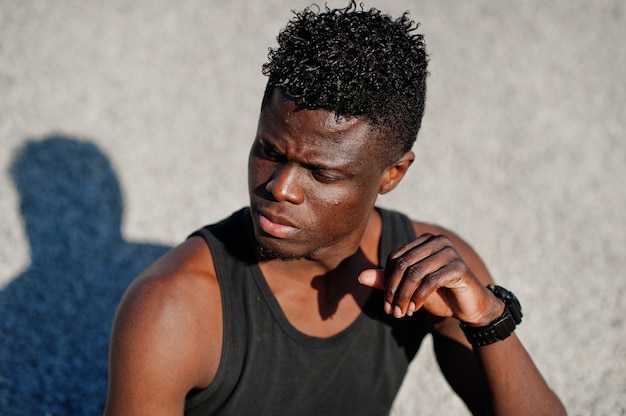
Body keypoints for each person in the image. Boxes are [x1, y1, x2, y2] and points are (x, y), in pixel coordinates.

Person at [104, 2, 566, 415]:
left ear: (393, 175)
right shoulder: (170, 309)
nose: (280, 188)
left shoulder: (430, 273)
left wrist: (488, 318)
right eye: (270, 150)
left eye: (321, 173)